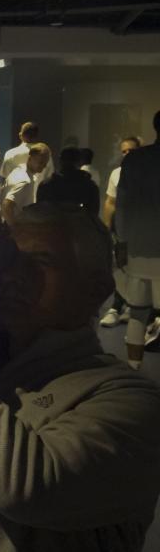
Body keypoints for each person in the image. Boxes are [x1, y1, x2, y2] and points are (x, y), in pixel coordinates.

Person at [0, 202, 160, 552]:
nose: (13, 276)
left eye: (42, 261)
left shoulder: (132, 400)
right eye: (10, 260)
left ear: (97, 288)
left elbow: (28, 488)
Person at [116, 110, 160, 368]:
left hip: (139, 247)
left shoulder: (135, 160)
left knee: (137, 313)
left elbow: (122, 205)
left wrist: (121, 243)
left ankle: (134, 369)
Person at [99, 136, 141, 327]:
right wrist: (106, 229)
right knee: (120, 267)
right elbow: (110, 202)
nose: (127, 154)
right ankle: (117, 306)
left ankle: (132, 307)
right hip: (121, 228)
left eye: (130, 150)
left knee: (139, 270)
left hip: (143, 229)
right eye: (124, 151)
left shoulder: (147, 171)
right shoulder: (116, 173)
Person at [36, 146, 100, 216]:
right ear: (80, 162)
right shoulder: (89, 187)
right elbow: (93, 215)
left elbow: (40, 214)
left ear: (60, 160)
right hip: (78, 226)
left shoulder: (46, 185)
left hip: (53, 225)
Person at [1, 143, 50, 226]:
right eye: (41, 162)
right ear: (30, 159)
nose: (44, 166)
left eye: (46, 162)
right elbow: (6, 206)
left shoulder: (19, 170)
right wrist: (16, 230)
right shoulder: (24, 181)